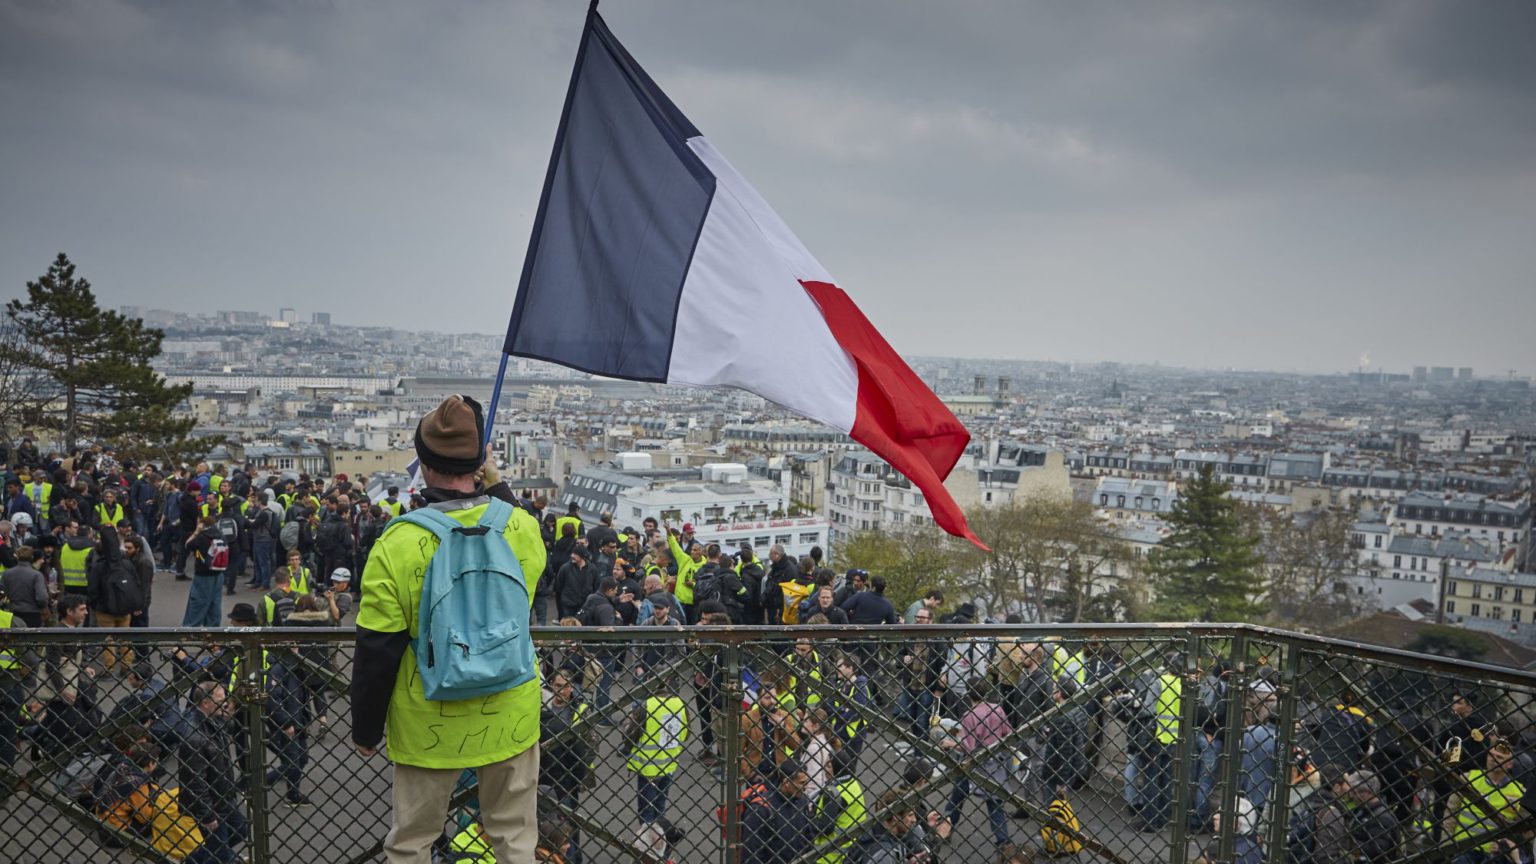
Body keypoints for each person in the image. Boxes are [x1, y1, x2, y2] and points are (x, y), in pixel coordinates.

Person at [352, 395, 547, 864]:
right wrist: (494, 479)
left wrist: (366, 729)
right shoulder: (522, 528)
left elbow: (377, 647)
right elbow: (514, 539)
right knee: (515, 836)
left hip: (429, 716)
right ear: (480, 463)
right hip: (510, 708)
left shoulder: (396, 542)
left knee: (412, 840)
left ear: (422, 463)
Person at [179, 680, 248, 863]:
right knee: (221, 853)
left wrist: (229, 711)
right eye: (220, 699)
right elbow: (195, 782)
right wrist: (207, 815)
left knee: (240, 830)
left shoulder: (213, 720)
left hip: (223, 795)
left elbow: (229, 728)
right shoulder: (194, 737)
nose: (224, 702)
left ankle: (193, 861)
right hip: (211, 803)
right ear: (206, 703)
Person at [942, 678, 1012, 852]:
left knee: (957, 797)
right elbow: (1007, 733)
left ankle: (946, 828)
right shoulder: (998, 709)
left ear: (968, 693)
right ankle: (1004, 842)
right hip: (994, 763)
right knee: (995, 804)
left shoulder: (969, 716)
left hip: (974, 765)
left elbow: (968, 746)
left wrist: (949, 743)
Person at [624, 673, 689, 830]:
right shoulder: (680, 704)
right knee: (660, 808)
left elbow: (630, 736)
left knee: (646, 812)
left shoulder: (647, 705)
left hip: (648, 767)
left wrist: (627, 727)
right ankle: (661, 843)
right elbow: (686, 733)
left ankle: (648, 848)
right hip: (669, 764)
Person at [741, 758, 814, 864]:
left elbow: (808, 838)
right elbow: (752, 855)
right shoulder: (760, 810)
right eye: (802, 783)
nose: (805, 787)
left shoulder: (802, 801)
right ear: (786, 782)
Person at [182, 515, 226, 627]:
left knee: (198, 602)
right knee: (214, 603)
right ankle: (213, 629)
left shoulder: (202, 537)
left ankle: (190, 628)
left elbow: (188, 545)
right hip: (219, 573)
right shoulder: (220, 535)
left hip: (203, 574)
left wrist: (196, 532)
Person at [1, 545, 49, 627]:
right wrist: (43, 607)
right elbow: (42, 598)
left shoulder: (7, 574)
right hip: (33, 615)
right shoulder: (36, 575)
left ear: (17, 557)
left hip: (13, 614)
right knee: (32, 639)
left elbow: (2, 594)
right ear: (32, 557)